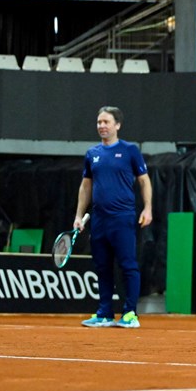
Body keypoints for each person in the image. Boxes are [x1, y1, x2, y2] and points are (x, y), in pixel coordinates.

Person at [74, 106, 153, 329]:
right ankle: (105, 313)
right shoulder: (92, 154)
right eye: (99, 122)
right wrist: (79, 215)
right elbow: (85, 186)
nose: (102, 126)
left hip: (123, 218)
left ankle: (130, 314)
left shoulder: (130, 151)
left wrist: (147, 209)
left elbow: (144, 181)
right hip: (99, 220)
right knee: (102, 266)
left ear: (117, 125)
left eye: (106, 122)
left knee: (128, 265)